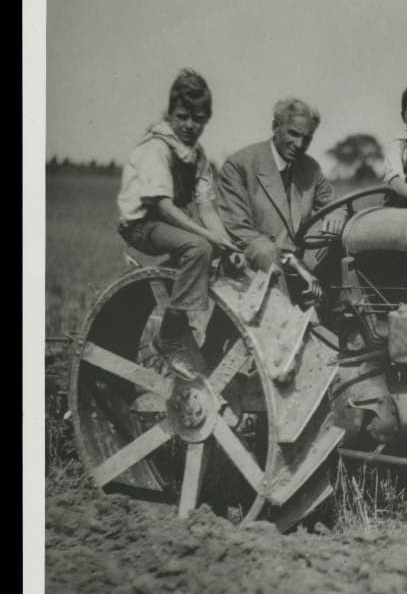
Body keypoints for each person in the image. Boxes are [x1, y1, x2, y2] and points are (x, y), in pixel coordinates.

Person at [116, 68, 238, 380]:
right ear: (171, 113)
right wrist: (208, 238)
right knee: (198, 246)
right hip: (143, 224)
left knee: (214, 248)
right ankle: (170, 335)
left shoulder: (197, 157)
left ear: (206, 120)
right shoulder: (157, 148)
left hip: (165, 223)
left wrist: (226, 243)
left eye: (198, 119)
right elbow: (164, 207)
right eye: (183, 116)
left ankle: (206, 336)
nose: (189, 125)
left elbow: (207, 209)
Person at [217, 97, 347, 304]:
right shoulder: (240, 164)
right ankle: (288, 328)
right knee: (265, 251)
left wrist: (336, 213)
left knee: (345, 241)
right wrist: (294, 262)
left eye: (307, 138)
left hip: (292, 263)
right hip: (250, 262)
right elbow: (241, 233)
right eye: (293, 134)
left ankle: (342, 320)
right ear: (275, 127)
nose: (300, 144)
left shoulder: (310, 168)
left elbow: (335, 203)